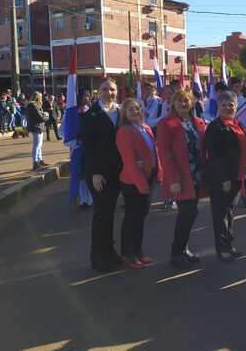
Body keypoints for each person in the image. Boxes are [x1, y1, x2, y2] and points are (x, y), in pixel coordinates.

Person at [156, 90, 208, 269]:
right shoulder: (166, 124)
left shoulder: (198, 122)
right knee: (187, 213)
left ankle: (183, 248)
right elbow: (164, 153)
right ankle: (176, 253)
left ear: (192, 103)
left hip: (197, 175)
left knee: (191, 213)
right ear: (173, 104)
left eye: (186, 101)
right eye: (179, 101)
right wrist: (174, 178)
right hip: (181, 176)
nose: (183, 104)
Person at [81, 77, 123, 272]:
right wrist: (95, 173)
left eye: (112, 89)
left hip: (117, 172)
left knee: (109, 213)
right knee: (101, 214)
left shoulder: (121, 112)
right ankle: (98, 257)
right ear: (98, 92)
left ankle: (109, 251)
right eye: (105, 89)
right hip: (98, 173)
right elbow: (87, 147)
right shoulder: (92, 115)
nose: (109, 93)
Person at [204, 90, 246, 262]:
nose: (228, 107)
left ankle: (229, 245)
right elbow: (214, 156)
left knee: (229, 213)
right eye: (224, 105)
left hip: (237, 176)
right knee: (221, 214)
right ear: (218, 106)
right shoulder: (215, 127)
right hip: (223, 179)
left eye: (231, 104)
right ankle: (222, 249)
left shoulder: (237, 124)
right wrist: (223, 178)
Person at [116, 98, 161, 269]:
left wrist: (158, 173)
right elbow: (129, 160)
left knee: (140, 218)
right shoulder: (124, 131)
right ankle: (128, 254)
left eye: (137, 108)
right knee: (132, 219)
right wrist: (142, 185)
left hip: (148, 178)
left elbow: (153, 152)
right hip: (133, 181)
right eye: (131, 109)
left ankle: (138, 251)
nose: (135, 112)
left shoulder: (146, 127)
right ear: (125, 114)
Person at [230, 77, 246, 207]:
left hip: (243, 137)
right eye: (233, 86)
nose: (236, 88)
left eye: (238, 85)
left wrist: (240, 124)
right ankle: (234, 193)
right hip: (229, 139)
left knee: (244, 169)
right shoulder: (226, 102)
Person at [26, 92, 49, 170]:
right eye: (40, 97)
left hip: (38, 126)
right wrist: (46, 115)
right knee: (37, 145)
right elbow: (40, 117)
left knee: (39, 145)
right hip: (36, 126)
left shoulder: (35, 105)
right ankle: (35, 162)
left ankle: (40, 160)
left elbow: (40, 116)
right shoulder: (33, 105)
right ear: (38, 97)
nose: (41, 99)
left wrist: (43, 114)